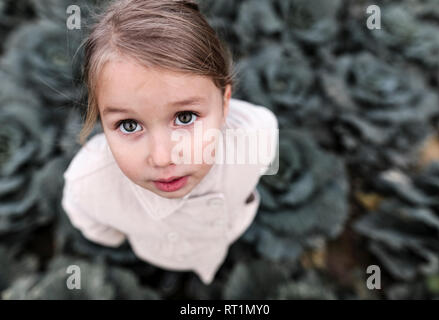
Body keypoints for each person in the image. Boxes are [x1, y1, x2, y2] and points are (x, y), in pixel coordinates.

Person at [62, 0, 278, 285]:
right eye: (129, 125)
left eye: (185, 117)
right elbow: (87, 218)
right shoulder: (89, 184)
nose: (163, 157)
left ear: (225, 104)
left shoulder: (256, 132)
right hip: (159, 254)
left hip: (233, 228)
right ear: (102, 119)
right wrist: (122, 236)